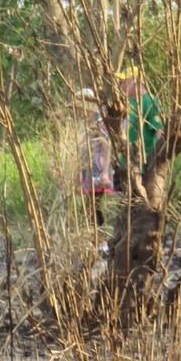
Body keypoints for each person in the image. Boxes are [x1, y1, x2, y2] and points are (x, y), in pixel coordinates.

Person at [71, 87, 117, 250]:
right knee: (90, 204)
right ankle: (95, 239)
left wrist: (104, 173)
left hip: (98, 168)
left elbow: (106, 145)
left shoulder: (99, 121)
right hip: (88, 168)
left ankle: (101, 241)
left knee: (95, 204)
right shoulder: (85, 122)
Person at [114, 66, 163, 192]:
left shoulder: (150, 102)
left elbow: (159, 130)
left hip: (140, 164)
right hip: (125, 161)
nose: (122, 86)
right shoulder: (129, 102)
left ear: (136, 82)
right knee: (118, 193)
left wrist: (155, 161)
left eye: (125, 82)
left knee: (135, 197)